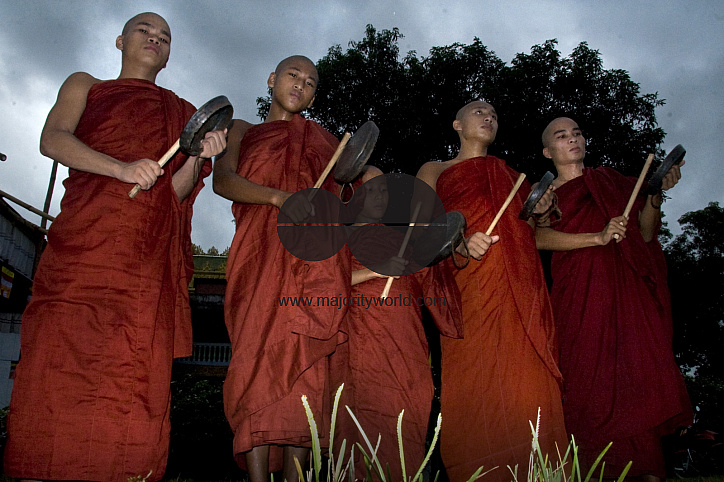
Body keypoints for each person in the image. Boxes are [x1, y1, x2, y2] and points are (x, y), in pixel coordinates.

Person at [4, 12, 226, 481]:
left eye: (165, 37)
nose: (155, 39)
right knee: (56, 361)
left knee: (131, 377)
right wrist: (120, 168)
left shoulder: (181, 110)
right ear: (120, 39)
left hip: (142, 265)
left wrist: (200, 157)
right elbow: (53, 139)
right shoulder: (86, 84)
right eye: (145, 31)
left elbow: (176, 195)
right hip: (84, 250)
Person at [213, 55, 351, 482]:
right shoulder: (243, 130)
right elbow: (224, 181)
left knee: (305, 366)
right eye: (293, 75)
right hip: (258, 256)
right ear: (272, 78)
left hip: (313, 262)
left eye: (310, 82)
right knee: (257, 358)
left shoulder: (328, 142)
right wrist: (277, 198)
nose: (301, 85)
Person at [416, 101, 568, 482]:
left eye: (495, 115)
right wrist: (461, 245)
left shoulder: (513, 176)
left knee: (528, 385)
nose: (489, 117)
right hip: (470, 289)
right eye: (479, 111)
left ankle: (539, 471)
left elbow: (529, 233)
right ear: (456, 123)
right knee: (475, 386)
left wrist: (541, 209)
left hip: (521, 290)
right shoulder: (435, 170)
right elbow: (423, 230)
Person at [536, 117, 692, 481]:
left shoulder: (612, 181)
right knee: (587, 385)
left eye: (577, 132)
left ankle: (649, 469)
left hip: (627, 296)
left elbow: (647, 232)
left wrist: (654, 196)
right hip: (580, 300)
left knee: (637, 381)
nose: (572, 138)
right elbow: (537, 239)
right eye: (562, 135)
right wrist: (598, 237)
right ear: (548, 151)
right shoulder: (545, 193)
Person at [329, 167, 463, 480]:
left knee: (406, 426)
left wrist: (446, 246)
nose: (378, 196)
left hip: (406, 347)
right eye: (369, 189)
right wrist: (376, 271)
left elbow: (435, 287)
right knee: (360, 432)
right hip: (358, 347)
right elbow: (320, 285)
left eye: (383, 190)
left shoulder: (403, 239)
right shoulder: (336, 236)